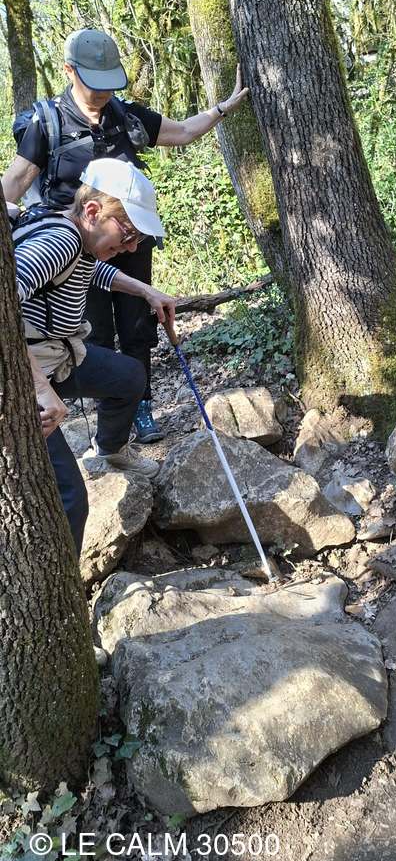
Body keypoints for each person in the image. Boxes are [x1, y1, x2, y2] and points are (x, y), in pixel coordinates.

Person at [2, 27, 248, 443]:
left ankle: (139, 408)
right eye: (93, 83)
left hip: (125, 233)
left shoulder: (124, 115)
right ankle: (83, 410)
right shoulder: (48, 124)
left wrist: (222, 108)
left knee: (136, 327)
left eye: (108, 84)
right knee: (95, 331)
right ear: (69, 71)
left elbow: (183, 132)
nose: (102, 93)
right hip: (78, 239)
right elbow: (14, 182)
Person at [14, 156, 177, 555]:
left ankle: (109, 452)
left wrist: (145, 290)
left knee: (128, 376)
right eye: (128, 233)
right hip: (21, 376)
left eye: (138, 239)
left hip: (57, 357)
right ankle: (61, 585)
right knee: (70, 498)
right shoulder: (60, 241)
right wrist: (40, 389)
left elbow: (90, 271)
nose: (132, 247)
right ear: (92, 211)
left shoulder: (77, 238)